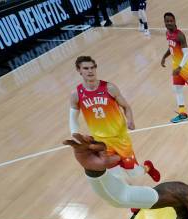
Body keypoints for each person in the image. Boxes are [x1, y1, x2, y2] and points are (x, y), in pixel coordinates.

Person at [69, 56, 160, 185]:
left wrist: (130, 120)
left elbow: (126, 106)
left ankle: (147, 168)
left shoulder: (109, 88)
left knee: (134, 173)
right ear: (79, 70)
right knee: (116, 174)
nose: (90, 71)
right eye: (86, 68)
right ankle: (132, 200)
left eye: (92, 67)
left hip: (120, 138)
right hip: (101, 142)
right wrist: (75, 134)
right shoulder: (76, 94)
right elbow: (73, 116)